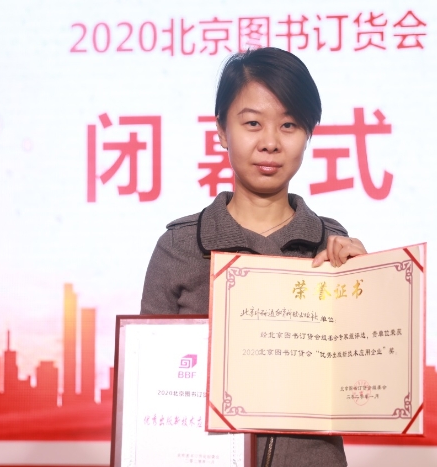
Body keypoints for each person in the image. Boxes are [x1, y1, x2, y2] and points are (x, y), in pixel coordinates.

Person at [141, 47, 366, 467]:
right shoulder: (180, 246)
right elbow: (150, 383)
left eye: (289, 125)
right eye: (252, 123)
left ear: (308, 134)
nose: (270, 143)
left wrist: (367, 286)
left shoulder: (333, 248)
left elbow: (363, 380)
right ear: (222, 131)